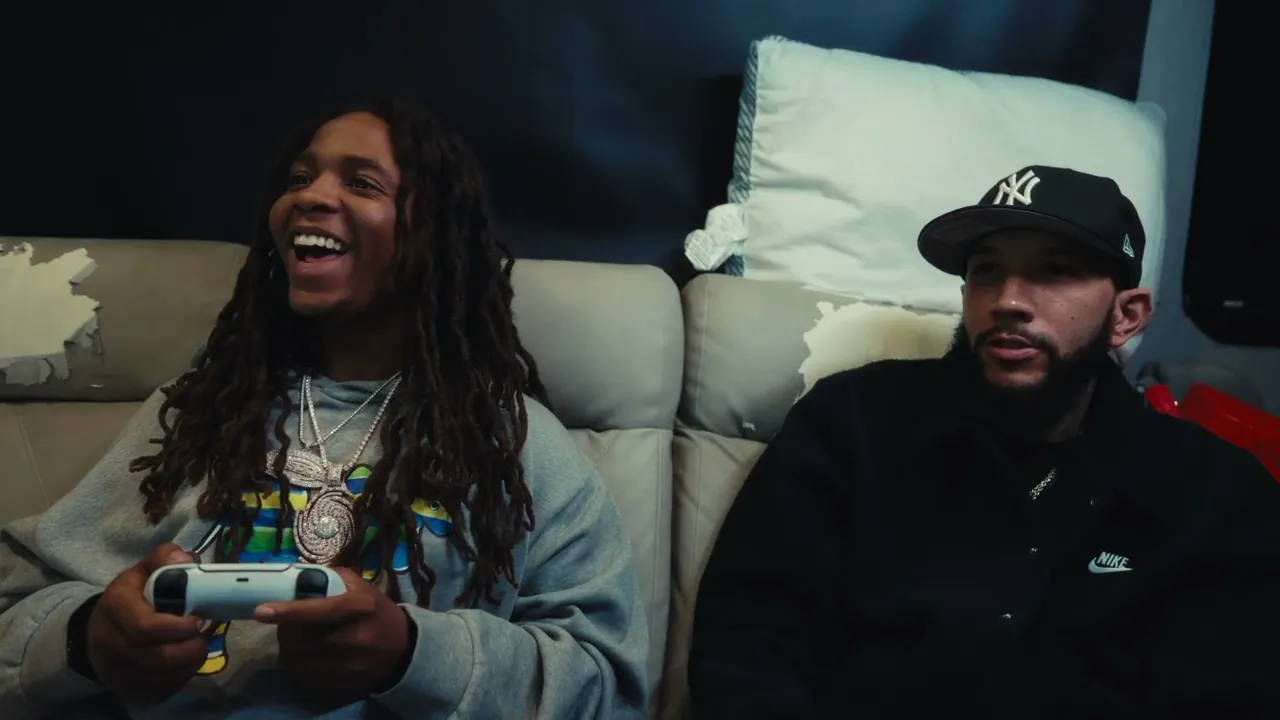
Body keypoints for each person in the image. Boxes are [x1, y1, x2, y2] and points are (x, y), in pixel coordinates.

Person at [0, 98, 649, 719]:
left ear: (434, 233)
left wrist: (411, 655)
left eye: (362, 183)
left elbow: (608, 689)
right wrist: (86, 639)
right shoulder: (199, 412)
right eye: (300, 178)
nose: (310, 196)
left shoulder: (513, 442)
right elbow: (17, 602)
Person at [688, 166, 1280, 717]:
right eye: (986, 271)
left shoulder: (1214, 494)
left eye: (1053, 272)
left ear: (1127, 316)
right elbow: (750, 638)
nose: (1008, 301)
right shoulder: (854, 423)